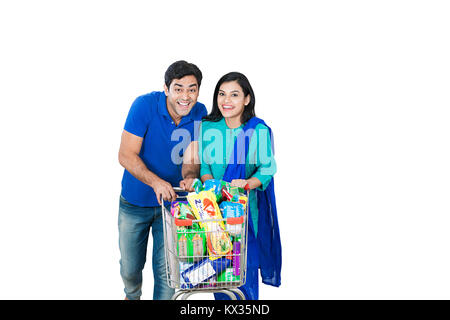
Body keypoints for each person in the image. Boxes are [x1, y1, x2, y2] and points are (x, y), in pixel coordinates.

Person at [118, 60, 207, 300]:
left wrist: (189, 176)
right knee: (130, 269)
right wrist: (156, 182)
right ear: (166, 89)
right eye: (179, 88)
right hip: (135, 203)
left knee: (168, 274)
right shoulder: (144, 106)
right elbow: (126, 155)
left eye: (192, 89)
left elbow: (192, 157)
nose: (186, 96)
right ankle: (132, 295)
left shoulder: (200, 113)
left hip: (173, 206)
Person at [196, 72, 282, 300]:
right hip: (212, 212)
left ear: (247, 99)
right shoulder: (207, 128)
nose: (226, 100)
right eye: (222, 94)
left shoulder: (258, 131)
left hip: (244, 213)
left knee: (244, 274)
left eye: (234, 95)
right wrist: (211, 186)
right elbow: (203, 165)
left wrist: (246, 183)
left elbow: (267, 168)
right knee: (220, 274)